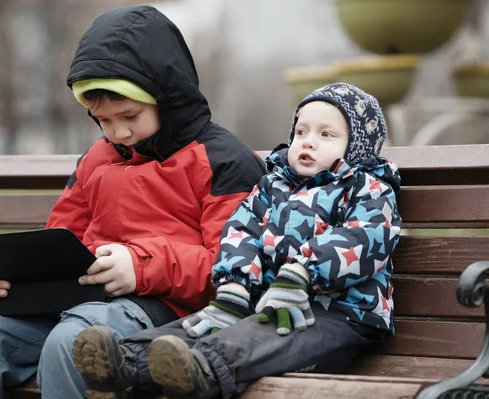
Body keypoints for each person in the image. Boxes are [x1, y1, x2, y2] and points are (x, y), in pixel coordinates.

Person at [0, 5, 266, 399]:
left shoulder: (225, 160)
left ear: (167, 98)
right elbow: (62, 239)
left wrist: (139, 268)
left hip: (168, 313)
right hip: (80, 304)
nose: (119, 132)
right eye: (103, 120)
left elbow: (234, 272)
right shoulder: (96, 160)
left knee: (75, 342)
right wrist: (20, 276)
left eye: (130, 115)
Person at [72, 82, 403, 399]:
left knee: (261, 336)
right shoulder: (274, 187)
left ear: (357, 146)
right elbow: (241, 231)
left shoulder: (367, 190)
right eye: (301, 132)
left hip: (339, 314)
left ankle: (202, 371)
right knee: (207, 323)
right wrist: (235, 284)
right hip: (267, 302)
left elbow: (363, 238)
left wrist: (302, 272)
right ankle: (126, 364)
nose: (308, 142)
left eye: (326, 134)